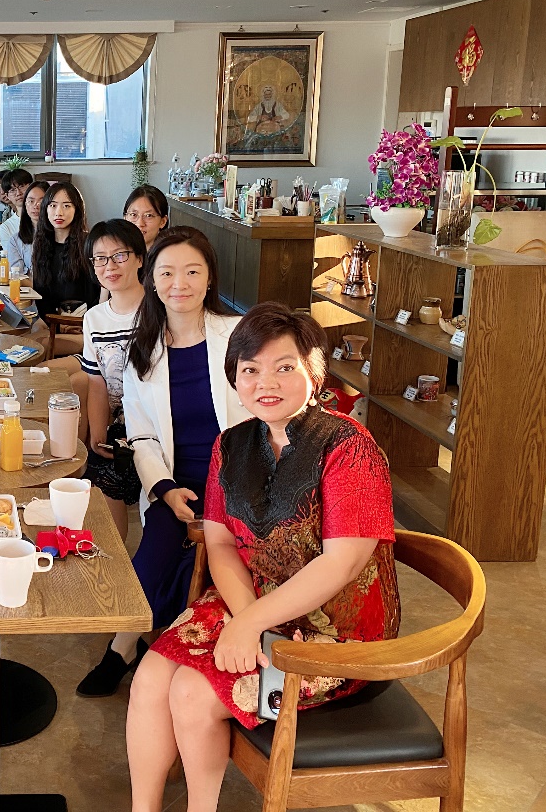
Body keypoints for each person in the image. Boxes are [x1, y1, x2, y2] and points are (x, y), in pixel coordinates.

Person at [127, 303, 399, 812]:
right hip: (251, 600)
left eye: (284, 367)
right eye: (250, 370)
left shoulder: (349, 447)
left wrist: (249, 625)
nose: (265, 383)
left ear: (314, 372)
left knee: (191, 692)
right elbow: (220, 542)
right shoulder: (231, 445)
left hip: (333, 629)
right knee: (150, 679)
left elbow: (341, 563)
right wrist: (247, 617)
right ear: (235, 379)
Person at [78, 228, 249, 699]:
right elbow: (143, 435)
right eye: (168, 272)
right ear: (153, 279)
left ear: (209, 277)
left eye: (192, 271)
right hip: (176, 483)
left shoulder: (238, 337)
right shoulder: (144, 347)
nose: (180, 284)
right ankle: (128, 648)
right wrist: (165, 489)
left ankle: (149, 650)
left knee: (203, 567)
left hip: (237, 483)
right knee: (149, 564)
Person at [77, 219, 148, 540]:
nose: (110, 266)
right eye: (100, 259)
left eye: (120, 256)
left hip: (157, 426)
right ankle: (117, 558)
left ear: (139, 258)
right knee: (103, 486)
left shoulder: (159, 311)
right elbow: (96, 382)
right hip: (119, 428)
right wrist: (97, 432)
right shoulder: (94, 318)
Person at [32, 181, 99, 318]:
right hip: (52, 321)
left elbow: (98, 292)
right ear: (45, 209)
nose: (59, 212)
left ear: (77, 210)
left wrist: (79, 322)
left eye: (67, 206)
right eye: (53, 205)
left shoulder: (90, 244)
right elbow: (40, 293)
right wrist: (55, 322)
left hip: (85, 321)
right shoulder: (41, 244)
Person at [6, 179, 47, 275]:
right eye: (31, 201)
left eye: (41, 201)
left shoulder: (59, 236)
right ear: (25, 204)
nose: (36, 206)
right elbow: (17, 275)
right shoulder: (15, 240)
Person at [0, 169, 34, 261]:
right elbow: (12, 259)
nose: (18, 193)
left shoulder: (46, 218)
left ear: (31, 186)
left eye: (21, 186)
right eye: (12, 190)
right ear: (7, 196)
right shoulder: (6, 227)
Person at [124, 185, 170, 250]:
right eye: (133, 214)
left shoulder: (169, 254)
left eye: (148, 215)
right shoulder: (116, 251)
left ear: (163, 222)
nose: (140, 223)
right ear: (125, 218)